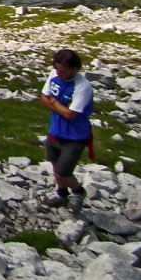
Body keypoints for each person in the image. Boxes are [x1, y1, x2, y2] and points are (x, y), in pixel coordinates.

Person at [39, 48, 94, 214]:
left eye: (62, 70)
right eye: (56, 69)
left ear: (74, 69)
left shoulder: (82, 87)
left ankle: (77, 191)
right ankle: (61, 193)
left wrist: (54, 103)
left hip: (74, 137)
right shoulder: (54, 75)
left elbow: (71, 115)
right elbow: (43, 98)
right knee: (56, 167)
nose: (58, 73)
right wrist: (58, 106)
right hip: (55, 132)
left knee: (64, 171)